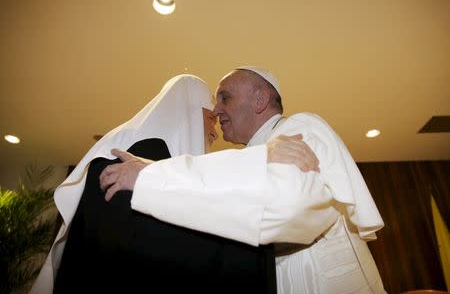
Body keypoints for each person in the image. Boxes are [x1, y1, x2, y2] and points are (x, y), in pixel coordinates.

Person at [100, 66, 387, 294]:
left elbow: (286, 206)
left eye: (225, 97)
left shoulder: (299, 127)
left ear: (260, 99)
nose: (215, 111)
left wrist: (153, 177)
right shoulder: (260, 154)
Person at [29, 73, 317, 294]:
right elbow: (163, 258)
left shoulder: (163, 173)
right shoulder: (125, 165)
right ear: (186, 113)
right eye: (209, 120)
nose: (214, 133)